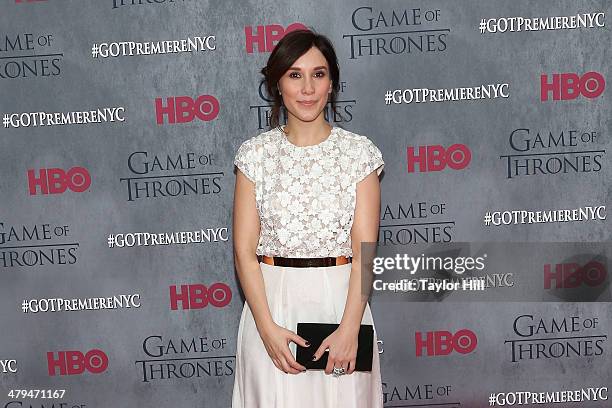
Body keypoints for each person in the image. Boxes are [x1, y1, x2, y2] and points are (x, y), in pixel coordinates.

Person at [231, 28, 384, 407]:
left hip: (342, 304)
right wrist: (266, 329)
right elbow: (243, 250)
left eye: (318, 74)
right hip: (270, 306)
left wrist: (350, 328)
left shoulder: (359, 154)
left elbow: (365, 250)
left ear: (331, 83)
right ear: (277, 84)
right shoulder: (255, 155)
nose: (307, 88)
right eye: (295, 75)